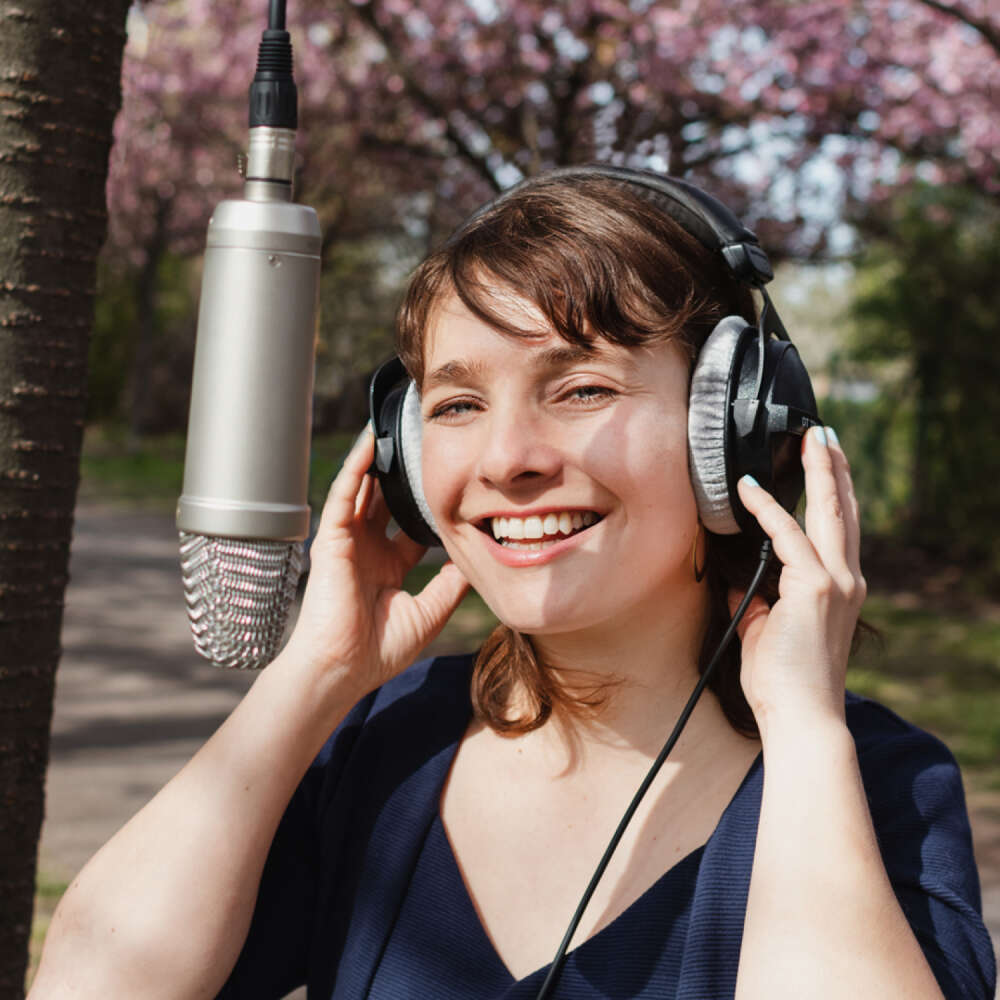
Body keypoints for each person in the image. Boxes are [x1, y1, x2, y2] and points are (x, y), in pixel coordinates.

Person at [31, 168, 996, 1000]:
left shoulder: (872, 783)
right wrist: (314, 674)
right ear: (404, 459)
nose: (506, 459)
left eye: (581, 388)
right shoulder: (389, 739)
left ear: (734, 425)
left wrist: (802, 725)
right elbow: (90, 983)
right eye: (456, 404)